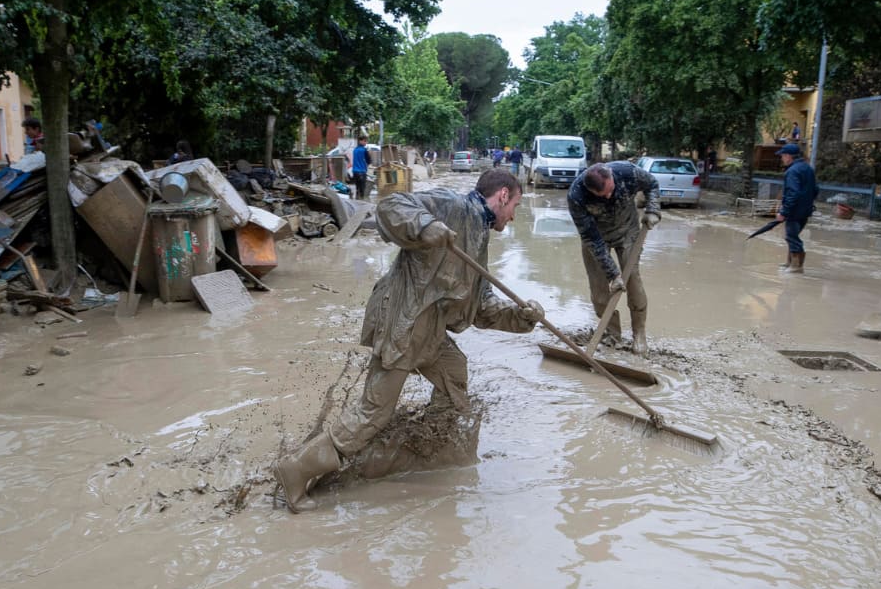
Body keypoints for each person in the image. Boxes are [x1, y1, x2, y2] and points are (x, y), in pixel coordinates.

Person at [272, 168, 545, 512]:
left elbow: (481, 308)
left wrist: (522, 318)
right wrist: (425, 227)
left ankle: (429, 450)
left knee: (454, 374)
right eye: (516, 204)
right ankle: (296, 469)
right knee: (374, 412)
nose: (514, 215)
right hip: (403, 322)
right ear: (503, 195)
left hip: (429, 329)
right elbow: (390, 206)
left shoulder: (479, 233)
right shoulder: (452, 204)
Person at [567, 161, 661, 356]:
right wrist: (612, 275)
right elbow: (591, 239)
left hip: (628, 232)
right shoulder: (577, 196)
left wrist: (653, 209)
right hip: (596, 237)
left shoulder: (628, 172)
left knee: (632, 280)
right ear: (590, 190)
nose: (609, 196)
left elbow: (652, 184)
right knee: (599, 293)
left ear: (611, 177)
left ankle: (639, 334)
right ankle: (612, 335)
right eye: (603, 195)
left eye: (611, 190)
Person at [775, 143, 818, 273]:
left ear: (788, 156)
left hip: (794, 210)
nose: (782, 158)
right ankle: (790, 263)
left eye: (782, 155)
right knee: (792, 235)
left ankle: (796, 266)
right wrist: (807, 203)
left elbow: (792, 193)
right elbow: (815, 189)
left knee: (791, 236)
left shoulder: (792, 171)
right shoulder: (807, 168)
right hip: (805, 210)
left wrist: (783, 211)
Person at [351, 136, 370, 200]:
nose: (365, 142)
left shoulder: (355, 150)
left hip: (354, 172)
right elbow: (369, 160)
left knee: (357, 188)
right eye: (364, 141)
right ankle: (362, 203)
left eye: (366, 141)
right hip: (362, 172)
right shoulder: (364, 150)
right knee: (362, 190)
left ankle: (357, 201)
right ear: (360, 141)